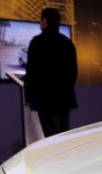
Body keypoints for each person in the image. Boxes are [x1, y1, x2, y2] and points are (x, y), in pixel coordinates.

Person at [24, 7, 78, 137]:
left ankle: (58, 158)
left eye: (41, 20)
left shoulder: (37, 42)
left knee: (51, 135)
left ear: (45, 21)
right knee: (64, 133)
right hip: (64, 98)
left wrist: (28, 96)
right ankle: (67, 157)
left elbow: (32, 72)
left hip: (45, 99)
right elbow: (73, 72)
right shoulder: (67, 43)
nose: (40, 23)